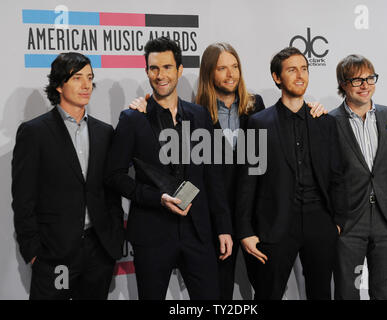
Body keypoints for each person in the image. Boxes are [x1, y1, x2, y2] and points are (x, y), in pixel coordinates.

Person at [129, 42, 328, 300]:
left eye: (234, 67)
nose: (230, 74)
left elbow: (277, 143)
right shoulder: (196, 113)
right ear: (210, 73)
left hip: (257, 217)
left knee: (265, 288)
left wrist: (314, 110)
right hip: (215, 217)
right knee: (220, 291)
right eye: (222, 68)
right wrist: (143, 105)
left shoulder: (255, 107)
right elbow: (191, 170)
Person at [105, 36, 233, 300]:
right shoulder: (132, 119)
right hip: (152, 232)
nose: (160, 75)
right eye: (154, 68)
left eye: (167, 67)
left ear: (179, 70)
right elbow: (114, 176)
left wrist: (223, 227)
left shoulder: (199, 116)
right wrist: (156, 198)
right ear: (147, 71)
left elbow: (212, 176)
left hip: (197, 232)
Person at [236, 47, 348, 300]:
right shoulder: (259, 123)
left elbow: (337, 175)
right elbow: (247, 182)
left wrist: (338, 221)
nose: (300, 75)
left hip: (320, 223)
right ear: (277, 78)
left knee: (321, 294)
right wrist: (245, 230)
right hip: (275, 224)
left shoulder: (325, 122)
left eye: (304, 69)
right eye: (292, 70)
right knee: (268, 293)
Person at [11, 52, 125, 300]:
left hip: (98, 251)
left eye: (90, 78)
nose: (86, 85)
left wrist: (114, 238)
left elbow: (111, 192)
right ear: (59, 84)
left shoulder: (104, 132)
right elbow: (23, 199)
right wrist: (34, 253)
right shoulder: (34, 133)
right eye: (77, 78)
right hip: (54, 255)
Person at [330, 54, 387, 300]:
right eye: (357, 80)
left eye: (369, 78)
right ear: (343, 84)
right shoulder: (329, 122)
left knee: (386, 294)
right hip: (348, 224)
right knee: (347, 293)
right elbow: (326, 177)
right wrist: (335, 220)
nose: (365, 85)